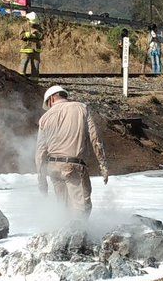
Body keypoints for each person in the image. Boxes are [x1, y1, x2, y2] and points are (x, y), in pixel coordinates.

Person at [35, 86, 108, 218]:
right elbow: (95, 137)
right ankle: (78, 237)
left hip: (53, 168)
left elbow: (40, 151)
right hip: (73, 167)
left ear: (51, 99)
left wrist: (41, 180)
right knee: (81, 209)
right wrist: (102, 164)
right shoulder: (81, 108)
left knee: (63, 209)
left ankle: (61, 236)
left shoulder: (44, 118)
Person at [20, 12, 43, 77]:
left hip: (36, 50)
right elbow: (21, 36)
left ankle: (34, 82)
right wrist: (29, 34)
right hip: (26, 49)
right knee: (23, 65)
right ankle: (21, 80)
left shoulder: (38, 27)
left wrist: (37, 34)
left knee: (36, 66)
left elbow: (42, 37)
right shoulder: (23, 26)